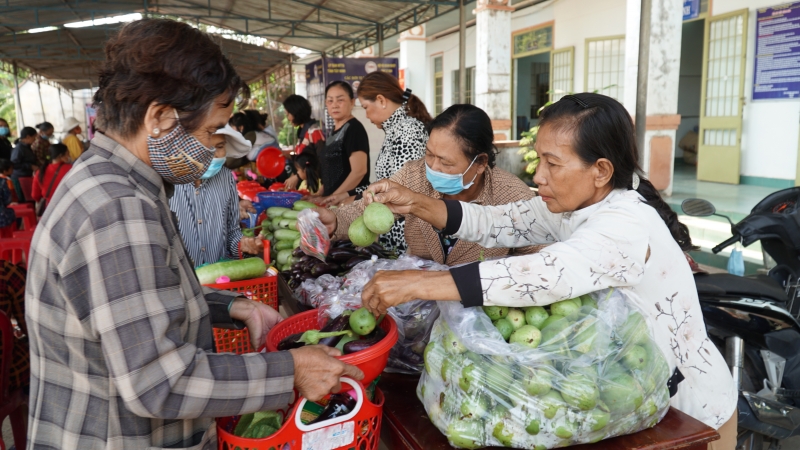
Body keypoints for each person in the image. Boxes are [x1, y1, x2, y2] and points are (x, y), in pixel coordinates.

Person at [25, 19, 362, 450]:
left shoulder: (109, 183)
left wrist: (236, 307)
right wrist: (289, 369)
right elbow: (160, 381)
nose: (211, 147)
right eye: (208, 132)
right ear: (160, 117)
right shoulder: (118, 210)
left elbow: (139, 301)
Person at [356, 93, 737, 446]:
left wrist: (419, 283)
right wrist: (417, 203)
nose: (538, 176)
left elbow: (543, 275)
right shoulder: (573, 206)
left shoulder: (625, 223)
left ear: (600, 171)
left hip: (687, 412)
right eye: (539, 160)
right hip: (623, 397)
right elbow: (496, 222)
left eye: (552, 164)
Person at [318, 104, 539, 266]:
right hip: (419, 300)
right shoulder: (414, 176)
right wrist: (336, 221)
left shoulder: (513, 196)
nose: (433, 167)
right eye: (429, 154)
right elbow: (370, 209)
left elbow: (538, 256)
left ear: (480, 162)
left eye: (445, 161)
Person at [353, 71, 433, 252]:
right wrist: (353, 193)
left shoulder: (407, 131)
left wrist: (356, 200)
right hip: (391, 228)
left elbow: (403, 187)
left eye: (365, 107)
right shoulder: (395, 130)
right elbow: (389, 181)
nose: (365, 115)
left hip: (406, 236)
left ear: (381, 100)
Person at [170, 124, 264, 266]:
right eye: (207, 147)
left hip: (219, 278)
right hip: (181, 280)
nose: (216, 154)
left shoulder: (226, 178)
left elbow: (232, 232)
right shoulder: (167, 181)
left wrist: (242, 244)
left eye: (220, 146)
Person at [318, 81, 370, 205]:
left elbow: (359, 171)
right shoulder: (333, 131)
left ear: (352, 102)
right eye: (330, 101)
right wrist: (320, 194)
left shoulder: (354, 129)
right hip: (332, 203)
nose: (334, 105)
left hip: (348, 203)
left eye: (340, 100)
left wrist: (334, 197)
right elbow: (332, 170)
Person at [282, 94, 325, 190]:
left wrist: (298, 177)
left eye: (288, 114)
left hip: (317, 186)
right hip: (307, 184)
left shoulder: (314, 132)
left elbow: (321, 162)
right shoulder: (302, 131)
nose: (288, 118)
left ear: (296, 112)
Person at [31, 143, 72, 208]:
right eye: (67, 154)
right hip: (67, 206)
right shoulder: (70, 169)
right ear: (61, 156)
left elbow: (35, 195)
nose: (69, 156)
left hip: (48, 208)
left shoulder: (40, 171)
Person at [0, 159, 16, 229]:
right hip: (2, 218)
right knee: (11, 212)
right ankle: (13, 233)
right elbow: (7, 200)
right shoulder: (4, 181)